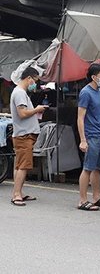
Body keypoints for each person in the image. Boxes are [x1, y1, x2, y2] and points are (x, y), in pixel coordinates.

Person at [77, 63, 100, 211]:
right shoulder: (86, 93)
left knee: (97, 168)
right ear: (93, 77)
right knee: (88, 168)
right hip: (92, 135)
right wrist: (83, 139)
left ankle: (96, 197)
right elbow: (80, 117)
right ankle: (82, 200)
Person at [9, 67, 46, 206]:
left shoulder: (20, 92)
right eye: (35, 80)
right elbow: (22, 113)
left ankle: (19, 192)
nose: (35, 83)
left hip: (23, 134)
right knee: (23, 166)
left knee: (19, 165)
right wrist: (37, 110)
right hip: (24, 135)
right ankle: (16, 194)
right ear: (29, 78)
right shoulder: (19, 93)